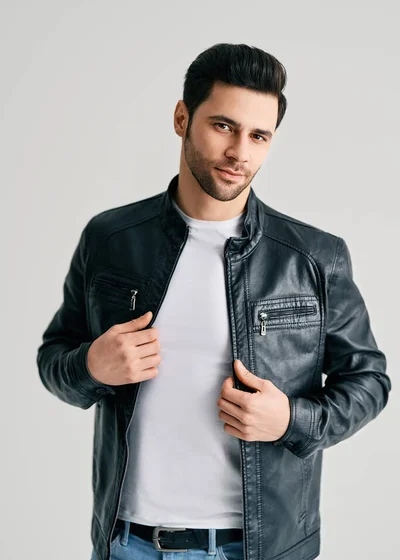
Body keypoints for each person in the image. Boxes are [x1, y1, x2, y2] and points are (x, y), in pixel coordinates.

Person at [36, 43, 391, 560]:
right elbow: (54, 358)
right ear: (182, 118)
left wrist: (291, 419)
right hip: (127, 542)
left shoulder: (314, 257)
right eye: (223, 126)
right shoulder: (111, 239)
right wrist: (91, 365)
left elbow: (369, 381)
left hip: (257, 548)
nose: (240, 152)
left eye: (259, 136)